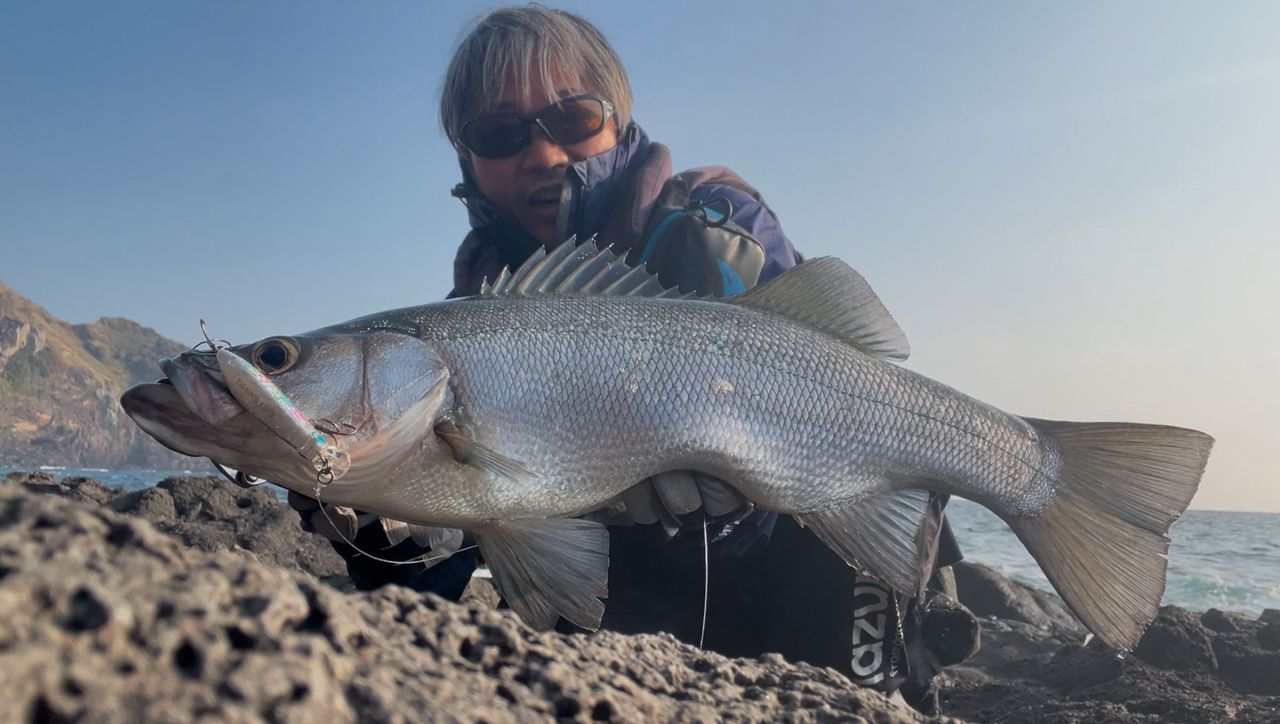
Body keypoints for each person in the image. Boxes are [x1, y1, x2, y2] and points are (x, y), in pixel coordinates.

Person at [288, 5, 978, 713]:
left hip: (807, 563)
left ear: (618, 120)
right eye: (498, 133)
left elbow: (849, 394)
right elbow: (463, 561)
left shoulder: (714, 229)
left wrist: (741, 502)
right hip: (637, 617)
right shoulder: (466, 316)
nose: (543, 155)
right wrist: (382, 532)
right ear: (467, 161)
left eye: (572, 119)